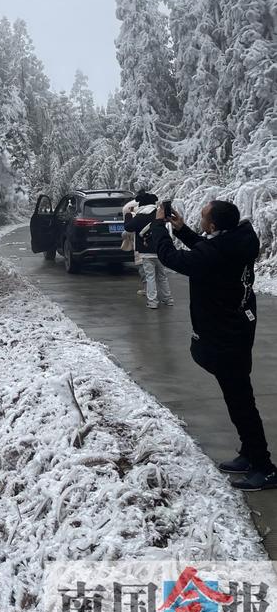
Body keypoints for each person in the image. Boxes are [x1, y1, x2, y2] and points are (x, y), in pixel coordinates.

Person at [151, 199, 277, 492]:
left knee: (241, 401)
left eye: (203, 216)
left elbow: (174, 259)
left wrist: (159, 227)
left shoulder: (218, 252)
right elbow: (208, 252)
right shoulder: (239, 240)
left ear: (214, 226)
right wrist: (182, 230)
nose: (200, 218)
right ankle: (250, 453)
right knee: (237, 397)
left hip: (227, 336)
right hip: (236, 329)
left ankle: (264, 466)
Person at [124, 190, 174, 309]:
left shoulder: (140, 216)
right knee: (162, 276)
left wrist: (128, 216)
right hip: (160, 250)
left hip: (146, 252)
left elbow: (128, 227)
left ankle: (152, 302)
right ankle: (168, 299)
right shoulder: (159, 214)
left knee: (150, 277)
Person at [122, 198, 147, 297]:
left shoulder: (136, 218)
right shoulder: (150, 215)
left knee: (144, 271)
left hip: (141, 249)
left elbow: (127, 231)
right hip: (152, 249)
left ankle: (147, 290)